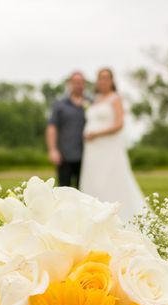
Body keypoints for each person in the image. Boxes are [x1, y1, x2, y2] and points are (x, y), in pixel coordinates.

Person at [79, 68, 146, 222]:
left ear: (112, 81)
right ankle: (93, 218)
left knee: (110, 180)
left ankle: (119, 217)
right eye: (100, 78)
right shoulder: (94, 100)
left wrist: (97, 133)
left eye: (106, 78)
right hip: (92, 150)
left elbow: (118, 124)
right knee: (94, 181)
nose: (102, 81)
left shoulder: (115, 98)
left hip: (108, 148)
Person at [46, 71, 87, 187]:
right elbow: (52, 127)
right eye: (75, 82)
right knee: (64, 189)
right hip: (65, 155)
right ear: (70, 84)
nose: (78, 85)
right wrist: (52, 150)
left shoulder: (91, 102)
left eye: (81, 82)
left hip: (86, 155)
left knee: (84, 190)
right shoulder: (60, 104)